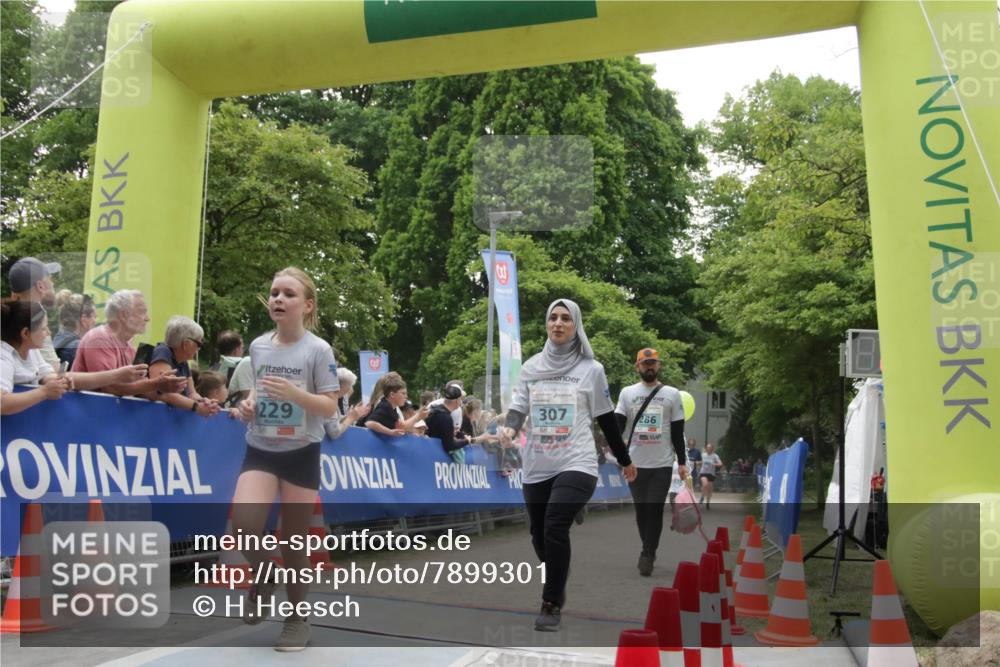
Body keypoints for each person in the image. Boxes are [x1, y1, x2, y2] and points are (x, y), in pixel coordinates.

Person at [499, 299, 637, 632]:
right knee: (539, 535)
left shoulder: (592, 369)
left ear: (576, 326)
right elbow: (518, 407)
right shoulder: (531, 367)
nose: (558, 323)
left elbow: (605, 419)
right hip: (537, 462)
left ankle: (550, 603)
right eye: (552, 318)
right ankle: (558, 572)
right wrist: (511, 427)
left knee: (554, 525)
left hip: (577, 459)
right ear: (546, 324)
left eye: (565, 318)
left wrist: (625, 459)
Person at [233, 267, 339, 652]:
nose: (278, 299)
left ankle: (297, 619)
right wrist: (247, 406)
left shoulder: (318, 350)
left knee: (294, 542)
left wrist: (296, 395)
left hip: (301, 452)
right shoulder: (259, 346)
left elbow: (328, 405)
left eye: (288, 294)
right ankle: (264, 571)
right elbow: (259, 394)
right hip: (260, 447)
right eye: (274, 292)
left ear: (307, 305)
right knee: (243, 525)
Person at [1, 299, 147, 415]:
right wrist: (43, 392)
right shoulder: (4, 357)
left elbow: (53, 377)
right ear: (25, 333)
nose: (48, 333)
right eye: (44, 328)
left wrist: (115, 375)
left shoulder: (32, 351)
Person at [615, 347, 688, 576]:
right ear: (637, 366)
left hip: (662, 464)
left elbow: (677, 432)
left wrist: (683, 462)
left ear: (659, 366)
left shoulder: (672, 394)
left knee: (654, 509)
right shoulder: (627, 393)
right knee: (641, 512)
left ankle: (647, 553)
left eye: (653, 363)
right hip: (634, 464)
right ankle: (648, 548)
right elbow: (617, 424)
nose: (649, 367)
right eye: (645, 363)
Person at [71, 289, 188, 396]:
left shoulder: (128, 347)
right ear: (123, 315)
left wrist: (165, 387)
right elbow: (112, 389)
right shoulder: (99, 339)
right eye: (142, 312)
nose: (147, 318)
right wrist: (157, 384)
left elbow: (139, 390)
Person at [147, 316, 220, 417]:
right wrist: (196, 407)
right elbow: (165, 393)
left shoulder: (183, 361)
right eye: (199, 344)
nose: (199, 349)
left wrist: (204, 402)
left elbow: (192, 393)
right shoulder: (162, 352)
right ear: (186, 344)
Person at [7, 257, 62, 367]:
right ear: (40, 286)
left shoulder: (9, 317)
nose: (53, 284)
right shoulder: (35, 322)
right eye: (50, 279)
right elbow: (54, 371)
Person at [52, 290, 97, 369]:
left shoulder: (58, 339)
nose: (95, 321)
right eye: (94, 316)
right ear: (84, 319)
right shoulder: (79, 348)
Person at [425, 384, 468, 458]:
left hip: (428, 452)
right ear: (457, 401)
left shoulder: (434, 410)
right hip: (435, 457)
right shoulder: (446, 418)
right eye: (460, 399)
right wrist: (467, 441)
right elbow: (449, 445)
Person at [364, 371, 408, 436]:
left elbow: (401, 427)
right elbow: (369, 423)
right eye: (403, 393)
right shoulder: (384, 404)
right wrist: (390, 432)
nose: (406, 396)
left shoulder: (392, 407)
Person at [699, 442, 723, 510]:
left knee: (709, 490)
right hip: (703, 472)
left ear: (712, 449)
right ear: (706, 449)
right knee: (705, 484)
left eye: (710, 448)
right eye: (707, 448)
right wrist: (699, 462)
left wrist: (714, 464)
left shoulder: (715, 456)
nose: (709, 449)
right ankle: (702, 496)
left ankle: (707, 503)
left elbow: (721, 464)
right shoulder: (703, 455)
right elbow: (698, 461)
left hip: (711, 474)